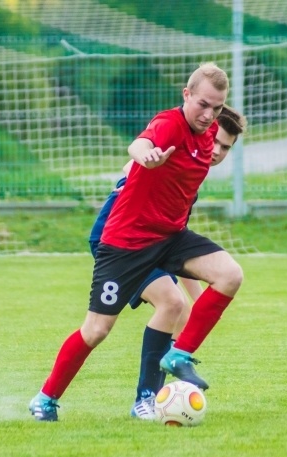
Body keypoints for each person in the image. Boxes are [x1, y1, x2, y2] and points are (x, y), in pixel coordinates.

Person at [29, 62, 244, 421]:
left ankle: (171, 366)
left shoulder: (205, 141)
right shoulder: (169, 124)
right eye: (203, 105)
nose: (209, 115)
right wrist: (144, 156)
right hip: (126, 244)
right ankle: (45, 397)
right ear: (186, 94)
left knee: (228, 276)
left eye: (217, 108)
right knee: (97, 329)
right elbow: (141, 143)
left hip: (168, 238)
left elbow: (177, 208)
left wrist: (199, 296)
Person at [88, 105, 247, 420]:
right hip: (119, 242)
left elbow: (175, 241)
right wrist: (136, 165)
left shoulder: (193, 172)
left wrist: (201, 298)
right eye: (215, 141)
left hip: (155, 245)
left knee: (182, 312)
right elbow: (135, 159)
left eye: (226, 147)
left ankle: (154, 395)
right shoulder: (176, 153)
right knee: (168, 305)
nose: (217, 151)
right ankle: (144, 399)